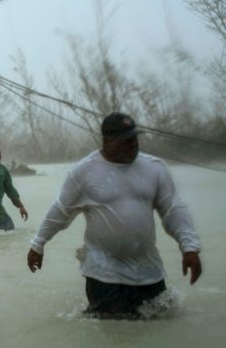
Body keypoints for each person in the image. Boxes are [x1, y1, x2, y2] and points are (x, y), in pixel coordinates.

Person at [27, 113, 202, 319]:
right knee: (113, 336)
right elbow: (60, 212)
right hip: (103, 274)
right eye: (125, 141)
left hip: (148, 272)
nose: (133, 145)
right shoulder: (84, 172)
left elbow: (173, 209)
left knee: (159, 329)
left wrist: (189, 247)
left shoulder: (154, 168)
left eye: (135, 139)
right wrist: (38, 244)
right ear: (107, 140)